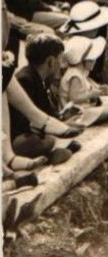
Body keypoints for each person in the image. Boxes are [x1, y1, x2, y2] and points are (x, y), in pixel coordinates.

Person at [6, 34, 84, 166]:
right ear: (51, 61)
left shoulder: (41, 78)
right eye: (59, 60)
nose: (61, 65)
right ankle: (51, 153)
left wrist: (66, 117)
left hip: (37, 131)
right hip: (18, 139)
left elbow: (46, 113)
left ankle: (53, 151)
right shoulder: (25, 80)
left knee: (68, 135)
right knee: (35, 142)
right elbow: (22, 124)